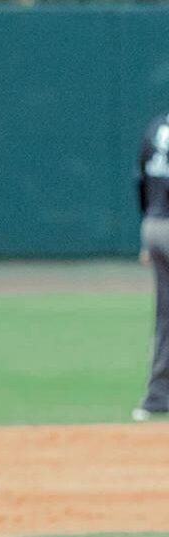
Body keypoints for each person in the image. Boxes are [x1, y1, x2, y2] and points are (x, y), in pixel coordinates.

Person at [134, 111, 169, 422]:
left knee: (165, 315)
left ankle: (157, 396)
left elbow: (141, 180)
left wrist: (147, 235)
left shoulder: (156, 124)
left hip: (155, 225)